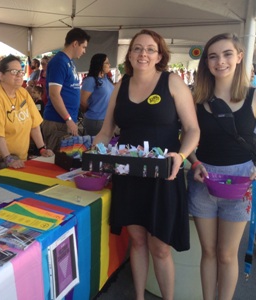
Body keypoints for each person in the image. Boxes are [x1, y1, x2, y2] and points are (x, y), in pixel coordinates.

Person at [92, 29, 200, 300]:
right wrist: (94, 152)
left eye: (150, 49)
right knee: (137, 241)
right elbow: (106, 130)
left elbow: (192, 129)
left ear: (159, 55)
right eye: (137, 48)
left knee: (160, 247)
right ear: (129, 54)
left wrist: (182, 155)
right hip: (129, 174)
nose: (143, 53)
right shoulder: (121, 84)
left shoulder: (172, 82)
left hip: (164, 175)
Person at [187, 33, 256, 300]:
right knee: (209, 252)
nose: (220, 61)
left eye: (227, 54)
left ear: (239, 57)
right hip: (204, 179)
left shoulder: (251, 97)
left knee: (228, 255)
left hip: (241, 181)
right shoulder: (197, 99)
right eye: (213, 56)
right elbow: (188, 140)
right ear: (206, 62)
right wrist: (194, 162)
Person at [0, 55, 53, 174]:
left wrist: (42, 149)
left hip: (17, 161)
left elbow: (34, 124)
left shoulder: (22, 93)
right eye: (14, 71)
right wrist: (8, 158)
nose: (19, 74)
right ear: (1, 75)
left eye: (20, 71)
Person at [42, 28, 90, 151]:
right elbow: (54, 94)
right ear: (75, 44)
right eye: (83, 47)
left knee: (66, 162)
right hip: (58, 122)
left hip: (66, 121)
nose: (84, 51)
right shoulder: (59, 61)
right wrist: (68, 119)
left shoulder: (69, 62)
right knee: (57, 164)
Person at [80, 53, 114, 136]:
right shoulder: (90, 80)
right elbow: (82, 101)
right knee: (96, 146)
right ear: (99, 64)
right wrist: (90, 110)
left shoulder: (106, 79)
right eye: (107, 63)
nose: (109, 65)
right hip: (96, 120)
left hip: (107, 119)